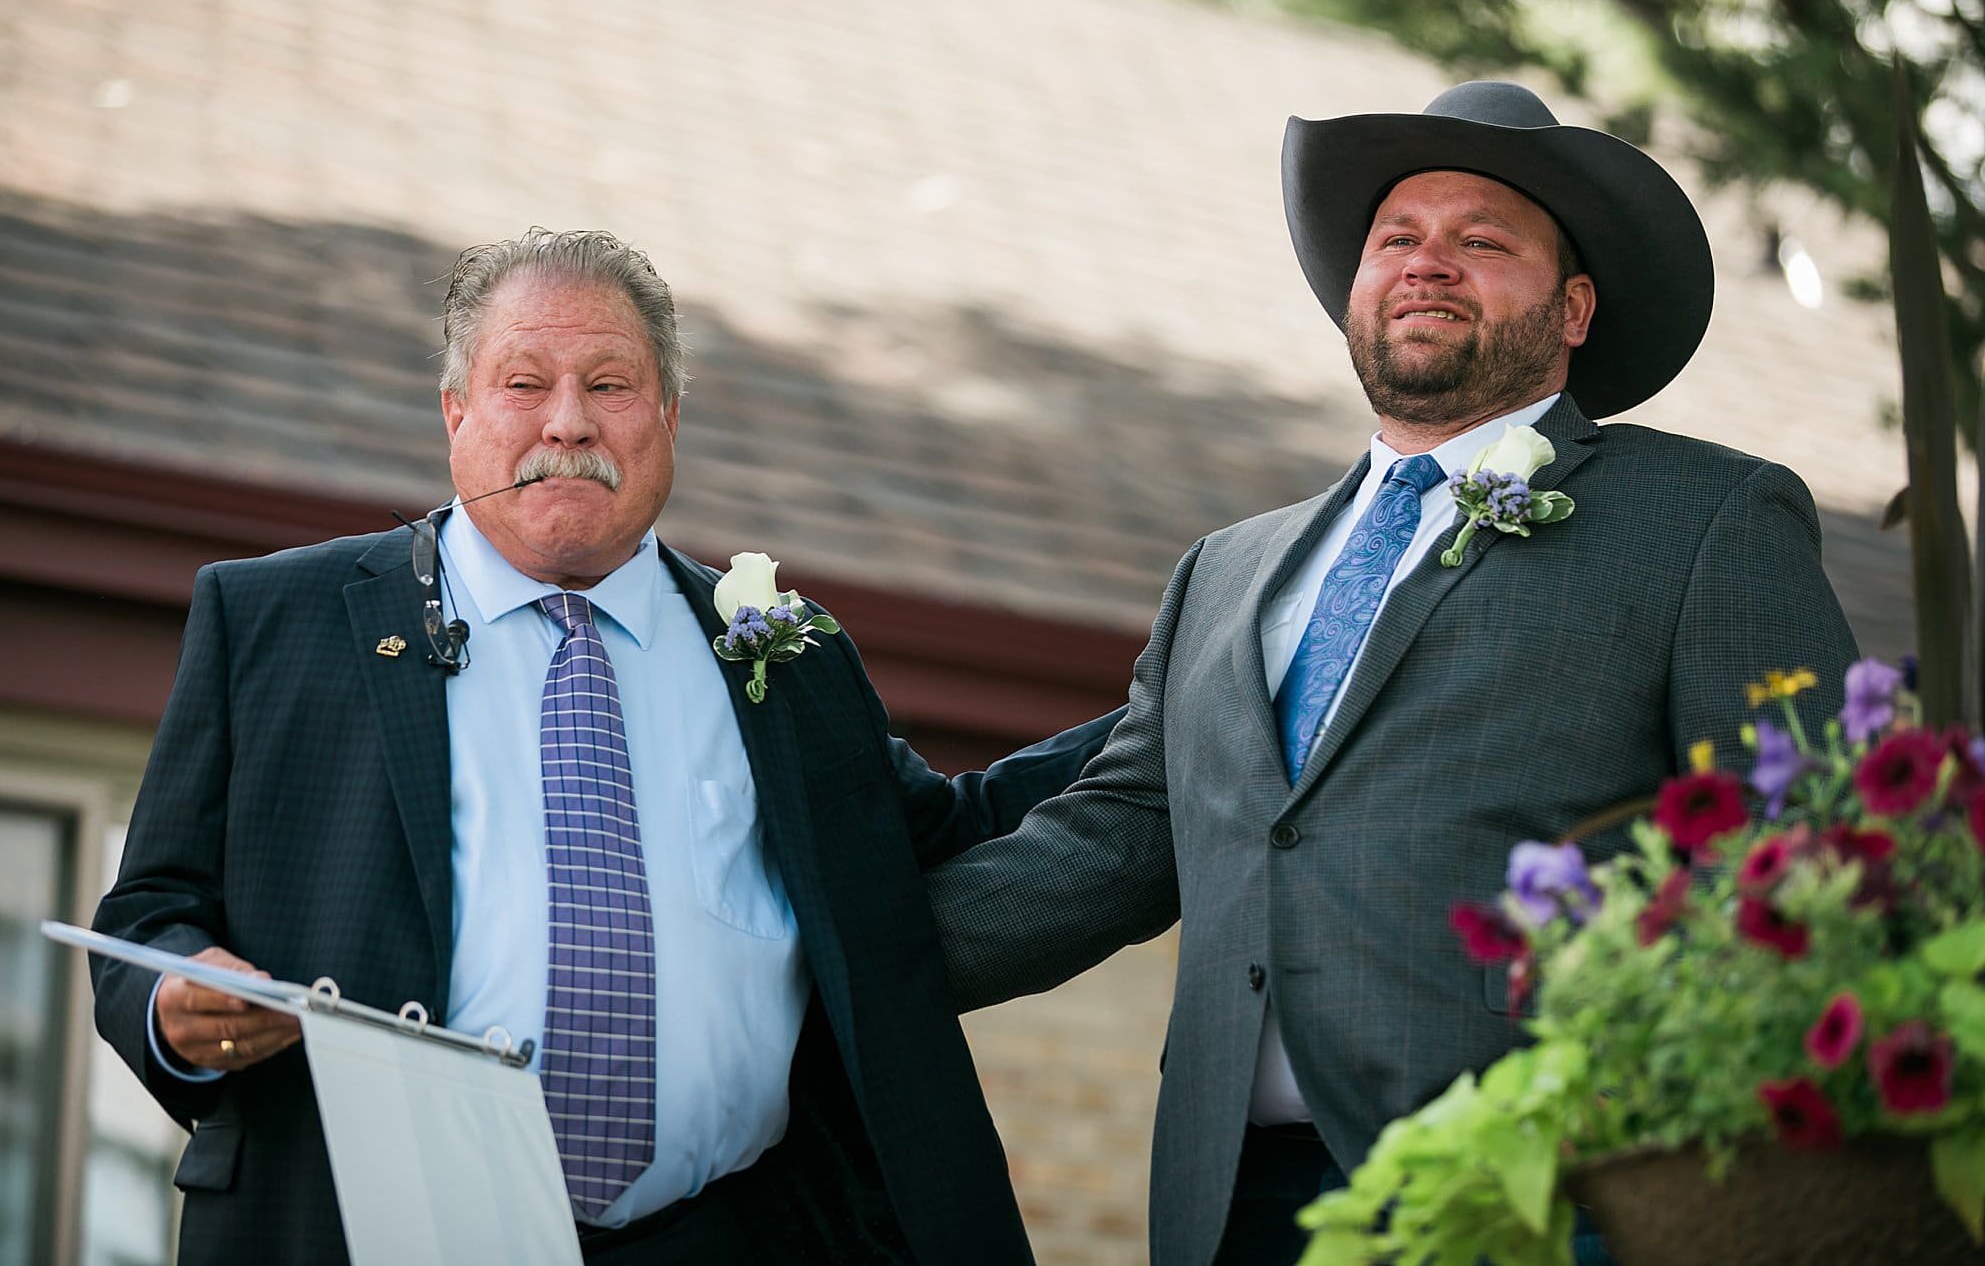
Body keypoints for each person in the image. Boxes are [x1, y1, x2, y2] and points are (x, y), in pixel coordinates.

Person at [926, 81, 1860, 1265]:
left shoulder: (1702, 519)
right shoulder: (1225, 570)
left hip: (1539, 1195)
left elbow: (1809, 859)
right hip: (1231, 1204)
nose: (1427, 264)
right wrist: (815, 968)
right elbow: (1112, 839)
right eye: (1396, 239)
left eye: (1481, 240)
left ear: (1572, 307)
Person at [91, 228, 1117, 1265]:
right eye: (524, 382)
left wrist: (1194, 704)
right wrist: (174, 1002)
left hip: (723, 1237)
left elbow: (952, 830)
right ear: (457, 413)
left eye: (611, 384)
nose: (568, 420)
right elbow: (150, 915)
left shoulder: (781, 655)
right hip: (362, 1234)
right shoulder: (275, 620)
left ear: (667, 417)